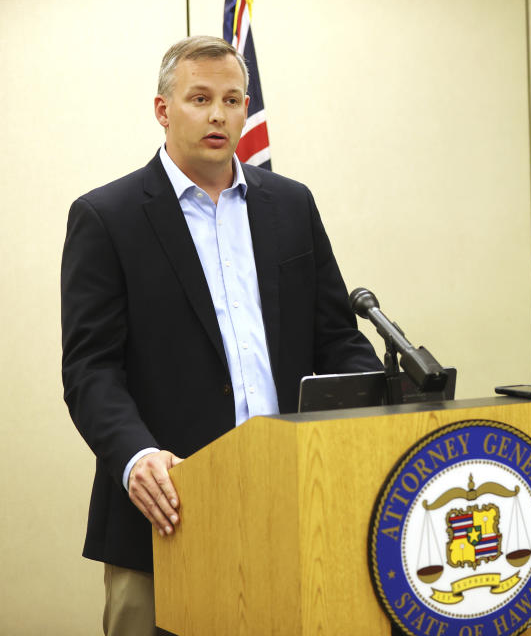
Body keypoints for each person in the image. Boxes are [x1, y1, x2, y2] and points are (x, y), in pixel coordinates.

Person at [61, 36, 381, 635]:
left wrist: (374, 405)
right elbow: (90, 371)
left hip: (288, 507)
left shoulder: (290, 205)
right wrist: (136, 458)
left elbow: (338, 339)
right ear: (163, 109)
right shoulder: (109, 217)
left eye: (232, 99)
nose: (218, 115)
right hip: (165, 516)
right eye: (200, 98)